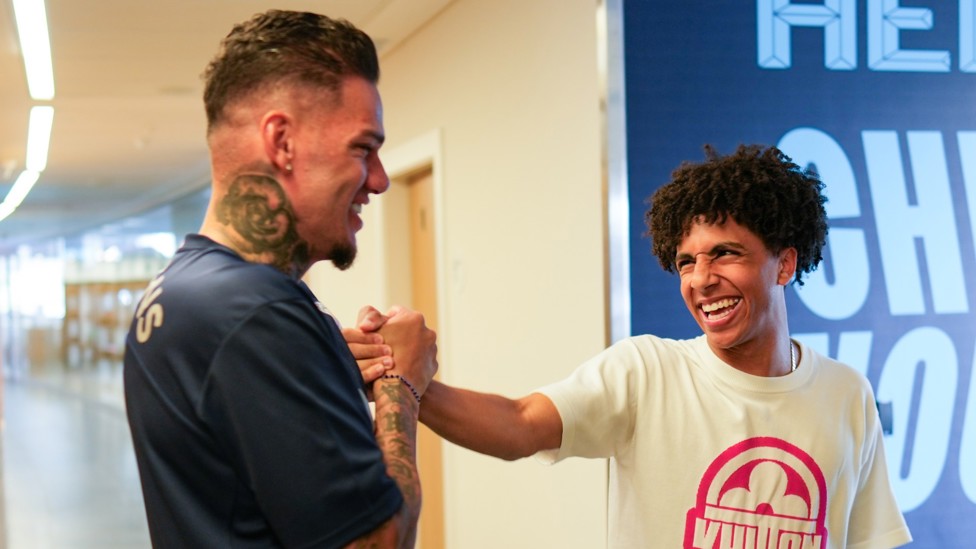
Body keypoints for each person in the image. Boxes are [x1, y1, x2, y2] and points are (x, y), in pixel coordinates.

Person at [349, 144, 912, 548]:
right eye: (686, 262)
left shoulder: (845, 393)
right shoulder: (647, 371)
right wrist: (407, 377)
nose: (701, 279)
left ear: (783, 263)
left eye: (725, 254)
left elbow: (870, 537)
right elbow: (519, 424)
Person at [123, 10, 437, 548]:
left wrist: (322, 370)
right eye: (363, 148)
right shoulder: (256, 313)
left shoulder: (178, 291)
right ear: (282, 141)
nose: (380, 181)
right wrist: (400, 387)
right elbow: (378, 542)